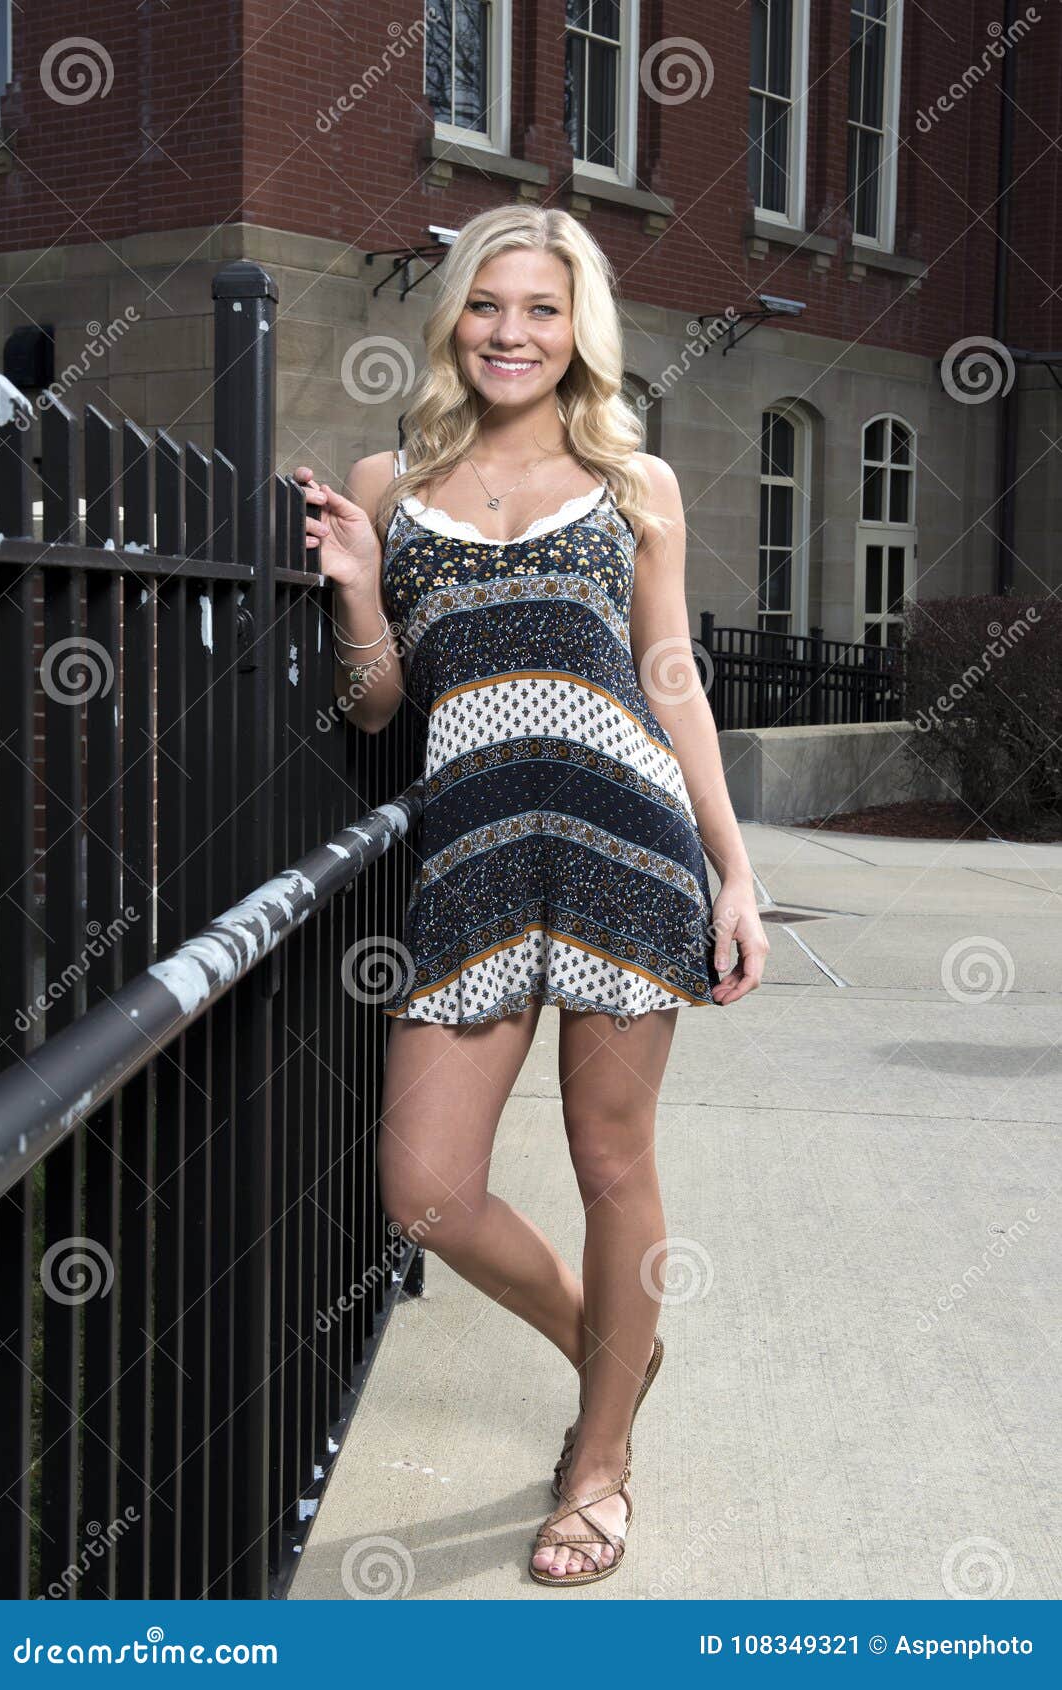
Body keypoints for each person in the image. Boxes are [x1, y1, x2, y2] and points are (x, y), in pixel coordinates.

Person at [293, 204, 767, 1588]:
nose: (513, 332)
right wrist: (358, 589)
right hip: (476, 853)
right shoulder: (393, 478)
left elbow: (669, 675)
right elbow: (381, 701)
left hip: (630, 843)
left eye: (543, 309)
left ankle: (599, 1459)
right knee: (426, 1186)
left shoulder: (636, 482)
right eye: (489, 305)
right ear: (455, 319)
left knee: (614, 1160)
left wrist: (736, 870)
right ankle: (610, 1349)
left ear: (580, 330)